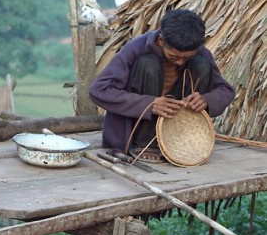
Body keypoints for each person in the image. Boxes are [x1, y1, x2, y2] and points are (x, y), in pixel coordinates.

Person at [89, 9, 236, 162]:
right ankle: (146, 144)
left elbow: (225, 90)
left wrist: (206, 100)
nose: (180, 62)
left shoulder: (199, 52)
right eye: (174, 56)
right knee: (148, 64)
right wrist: (149, 104)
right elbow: (98, 90)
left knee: (201, 64)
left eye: (186, 58)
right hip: (134, 134)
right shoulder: (135, 48)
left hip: (176, 131)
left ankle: (181, 141)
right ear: (161, 41)